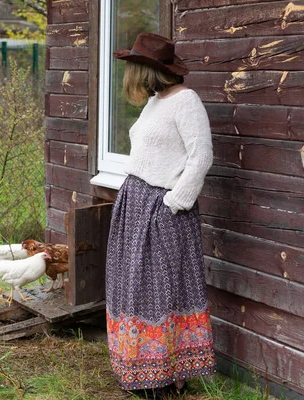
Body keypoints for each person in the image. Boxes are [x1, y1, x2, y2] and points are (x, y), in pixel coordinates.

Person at [105, 32, 217, 398]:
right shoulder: (155, 102)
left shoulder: (186, 101)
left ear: (148, 70)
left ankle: (169, 377)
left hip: (162, 208)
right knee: (134, 290)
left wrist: (175, 202)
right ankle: (141, 370)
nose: (128, 76)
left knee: (165, 292)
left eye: (132, 67)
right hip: (135, 203)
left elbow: (201, 156)